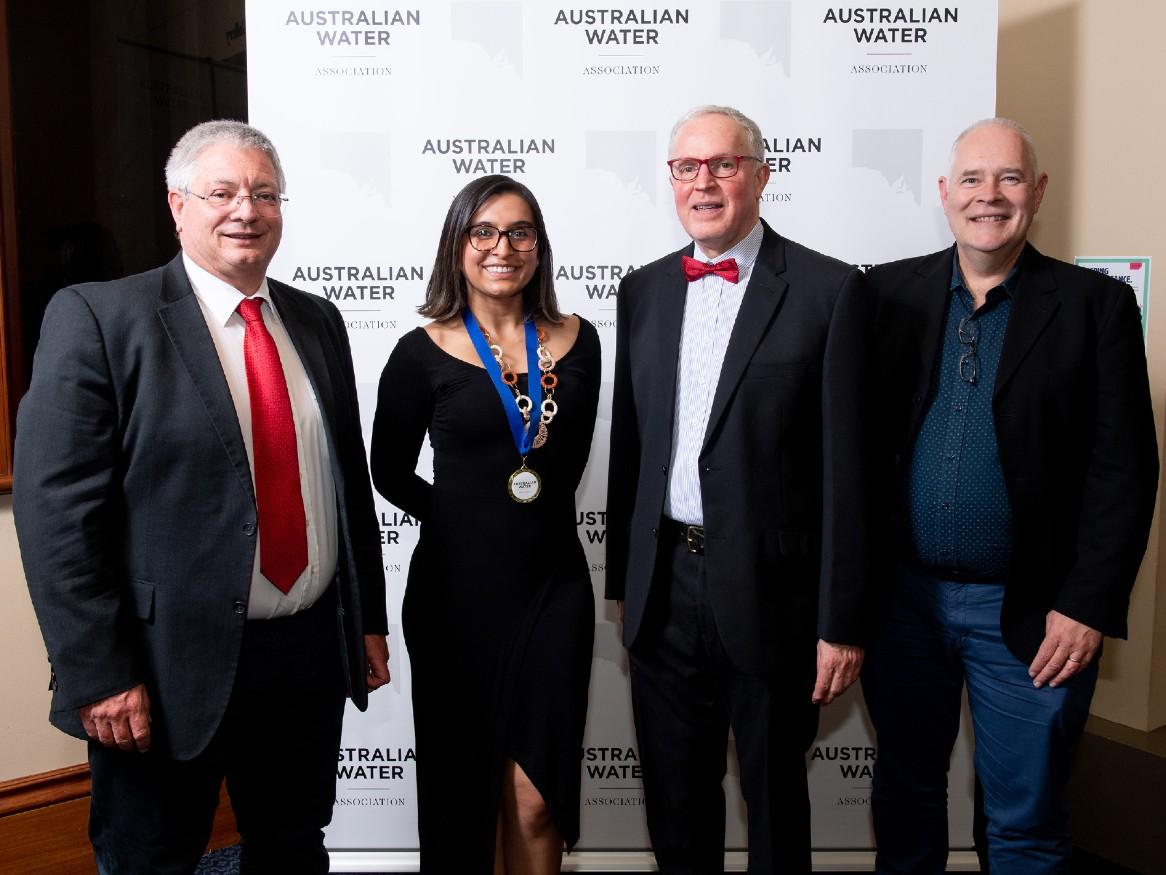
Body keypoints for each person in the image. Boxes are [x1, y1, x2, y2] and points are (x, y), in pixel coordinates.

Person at [13, 119, 389, 874]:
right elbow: (58, 518)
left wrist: (366, 623)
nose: (244, 209)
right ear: (177, 205)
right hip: (160, 667)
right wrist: (100, 671)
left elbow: (346, 486)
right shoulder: (100, 318)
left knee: (292, 847)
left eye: (263, 193)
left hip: (305, 652)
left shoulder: (316, 321)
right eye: (221, 192)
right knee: (151, 856)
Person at [861, 117, 1158, 873]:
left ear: (1038, 191)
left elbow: (1124, 469)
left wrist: (1089, 602)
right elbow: (850, 447)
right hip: (902, 606)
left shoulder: (1096, 308)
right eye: (972, 179)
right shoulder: (884, 294)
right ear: (944, 193)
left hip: (1033, 614)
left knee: (1025, 823)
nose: (989, 196)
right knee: (905, 800)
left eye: (1009, 179)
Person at [605, 105, 872, 874]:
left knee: (774, 800)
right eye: (688, 167)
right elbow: (633, 444)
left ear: (760, 174)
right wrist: (629, 574)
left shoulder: (828, 290)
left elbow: (851, 473)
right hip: (663, 590)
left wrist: (842, 618)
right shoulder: (645, 289)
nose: (705, 182)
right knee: (676, 801)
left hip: (774, 593)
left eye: (723, 164)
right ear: (672, 181)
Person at [370, 174, 600, 874]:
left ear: (539, 246)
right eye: (485, 232)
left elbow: (567, 467)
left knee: (536, 797)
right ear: (459, 245)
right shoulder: (420, 351)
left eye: (520, 231)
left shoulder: (580, 341)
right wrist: (460, 517)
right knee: (461, 793)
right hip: (453, 597)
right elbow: (387, 469)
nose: (504, 247)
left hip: (553, 589)